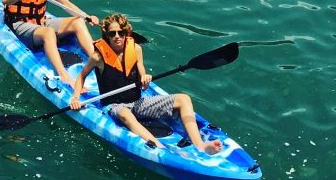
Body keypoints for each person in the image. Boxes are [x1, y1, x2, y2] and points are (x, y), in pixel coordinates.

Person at [69, 13, 223, 155]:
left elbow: (142, 72)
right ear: (107, 36)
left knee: (184, 99)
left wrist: (145, 78)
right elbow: (81, 76)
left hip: (137, 102)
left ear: (126, 33)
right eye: (112, 33)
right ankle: (160, 148)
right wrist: (75, 97)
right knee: (124, 113)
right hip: (114, 105)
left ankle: (200, 145)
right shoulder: (98, 57)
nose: (117, 37)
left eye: (121, 33)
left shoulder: (135, 49)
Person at [3, 0, 98, 85]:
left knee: (78, 22)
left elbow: (66, 3)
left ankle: (97, 61)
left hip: (41, 21)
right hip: (20, 24)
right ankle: (64, 75)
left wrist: (86, 16)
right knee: (48, 33)